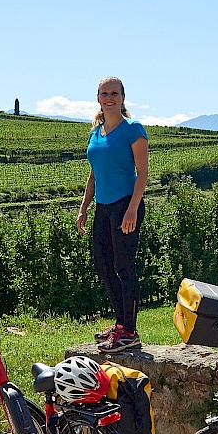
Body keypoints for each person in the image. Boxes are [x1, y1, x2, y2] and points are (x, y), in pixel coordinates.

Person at [76, 77, 148, 353]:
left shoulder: (133, 129)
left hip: (125, 205)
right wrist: (84, 207)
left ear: (122, 97)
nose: (109, 97)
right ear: (98, 98)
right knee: (104, 266)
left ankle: (129, 331)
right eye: (104, 93)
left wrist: (132, 209)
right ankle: (120, 324)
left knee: (124, 268)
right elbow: (94, 174)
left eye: (114, 93)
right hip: (103, 207)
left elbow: (142, 173)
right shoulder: (96, 132)